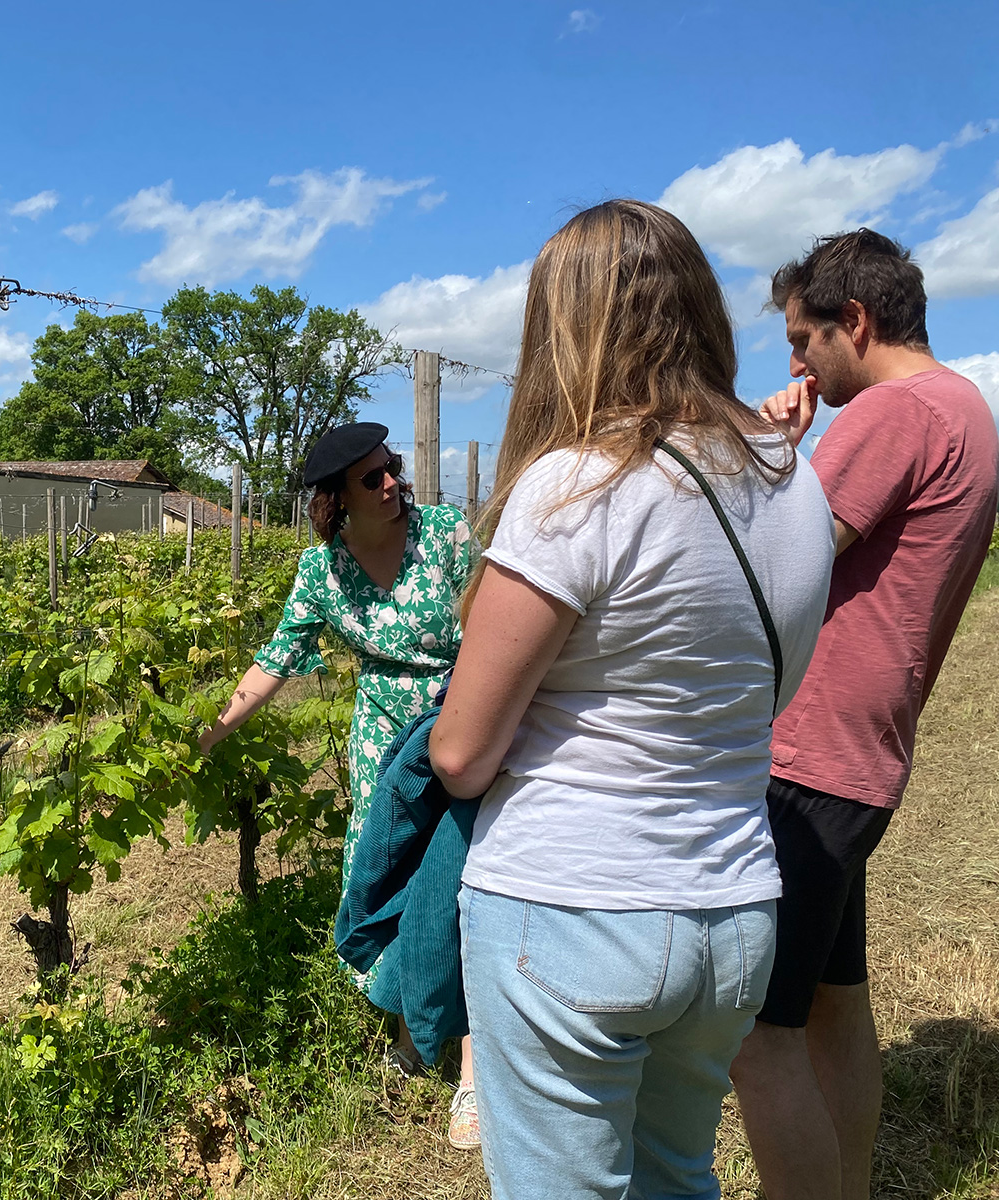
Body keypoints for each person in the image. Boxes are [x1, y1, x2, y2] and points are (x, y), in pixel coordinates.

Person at [428, 198, 836, 1199]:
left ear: (560, 327)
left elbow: (461, 755)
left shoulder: (576, 485)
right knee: (673, 1177)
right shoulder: (792, 485)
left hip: (572, 906)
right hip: (732, 907)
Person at [729, 230, 999, 1200]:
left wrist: (771, 456)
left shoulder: (892, 413)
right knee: (836, 1006)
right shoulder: (964, 405)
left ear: (857, 321)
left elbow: (783, 559)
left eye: (804, 340)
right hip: (865, 754)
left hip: (809, 756)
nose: (794, 362)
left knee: (757, 1035)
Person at [198, 423, 482, 1149]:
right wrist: (208, 732)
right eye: (371, 478)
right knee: (390, 878)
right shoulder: (322, 571)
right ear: (334, 501)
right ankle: (415, 1035)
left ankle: (474, 1074)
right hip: (383, 737)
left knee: (466, 881)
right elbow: (278, 656)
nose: (391, 484)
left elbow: (490, 631)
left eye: (391, 469)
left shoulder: (445, 535)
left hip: (466, 722)